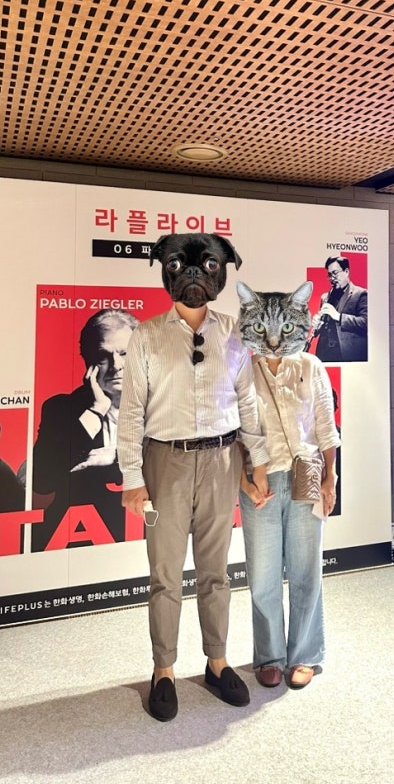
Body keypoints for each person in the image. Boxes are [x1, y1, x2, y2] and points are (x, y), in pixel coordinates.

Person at [117, 233, 268, 723]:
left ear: (224, 270)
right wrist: (133, 477)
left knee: (216, 572)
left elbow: (247, 402)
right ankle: (163, 669)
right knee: (165, 575)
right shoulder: (146, 335)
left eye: (209, 265)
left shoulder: (235, 333)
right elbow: (131, 411)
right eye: (179, 265)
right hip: (165, 462)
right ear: (164, 269)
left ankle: (217, 662)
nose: (194, 275)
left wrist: (257, 463)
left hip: (223, 461)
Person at [236, 280, 339, 690]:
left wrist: (331, 478)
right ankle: (269, 655)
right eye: (264, 330)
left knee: (305, 569)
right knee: (262, 575)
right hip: (258, 479)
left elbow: (326, 427)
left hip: (306, 474)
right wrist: (243, 482)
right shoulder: (241, 369)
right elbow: (234, 434)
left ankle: (305, 654)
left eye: (285, 330)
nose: (274, 341)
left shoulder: (311, 367)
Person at [31, 308, 138, 551]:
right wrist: (96, 410)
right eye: (103, 356)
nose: (117, 366)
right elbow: (42, 482)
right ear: (87, 361)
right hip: (79, 536)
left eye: (125, 353)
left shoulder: (164, 404)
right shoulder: (60, 408)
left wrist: (117, 456)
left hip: (143, 529)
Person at [310, 254, 368, 362]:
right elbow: (323, 328)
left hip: (347, 354)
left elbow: (366, 322)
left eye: (335, 273)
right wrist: (317, 327)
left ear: (346, 272)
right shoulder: (325, 297)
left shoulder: (361, 294)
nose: (332, 278)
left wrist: (339, 317)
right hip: (324, 354)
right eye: (329, 275)